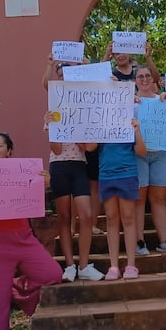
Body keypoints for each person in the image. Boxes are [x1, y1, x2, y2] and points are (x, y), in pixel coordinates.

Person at [0, 132, 62, 330]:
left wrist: (45, 183)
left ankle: (7, 287)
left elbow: (35, 200)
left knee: (52, 274)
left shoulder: (23, 172)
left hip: (22, 237)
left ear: (9, 151)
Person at [43, 112, 105, 282]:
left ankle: (84, 266)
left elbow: (90, 147)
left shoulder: (83, 115)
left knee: (86, 215)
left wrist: (76, 131)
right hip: (58, 166)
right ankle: (70, 265)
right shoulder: (52, 115)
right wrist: (53, 128)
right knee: (64, 216)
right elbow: (56, 149)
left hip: (79, 166)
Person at [85, 118, 147, 280]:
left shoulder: (129, 122)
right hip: (106, 175)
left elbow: (142, 151)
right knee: (111, 219)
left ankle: (131, 264)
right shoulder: (100, 121)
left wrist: (137, 130)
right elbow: (90, 147)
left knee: (128, 218)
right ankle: (113, 266)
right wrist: (96, 129)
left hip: (127, 173)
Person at [134, 66, 166, 255]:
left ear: (153, 80)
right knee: (139, 200)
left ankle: (164, 241)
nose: (144, 79)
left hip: (160, 154)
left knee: (159, 199)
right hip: (138, 154)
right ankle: (139, 242)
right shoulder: (130, 103)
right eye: (140, 76)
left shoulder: (162, 100)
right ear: (135, 81)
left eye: (147, 76)